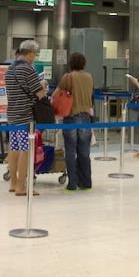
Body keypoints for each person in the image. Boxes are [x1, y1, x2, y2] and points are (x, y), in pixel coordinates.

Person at [4, 40, 46, 196]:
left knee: (14, 148)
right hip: (25, 116)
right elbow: (39, 93)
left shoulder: (10, 69)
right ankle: (21, 186)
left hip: (12, 114)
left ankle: (13, 183)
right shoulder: (28, 69)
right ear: (30, 53)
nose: (34, 57)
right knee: (25, 150)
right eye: (35, 54)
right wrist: (44, 85)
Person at [58, 52, 94, 191]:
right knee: (84, 152)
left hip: (71, 116)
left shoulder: (68, 77)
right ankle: (86, 182)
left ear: (71, 63)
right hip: (85, 117)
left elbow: (58, 93)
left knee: (70, 151)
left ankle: (72, 183)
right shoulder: (89, 77)